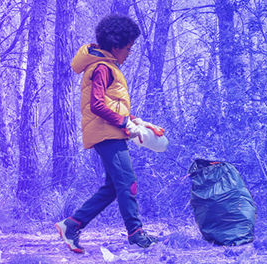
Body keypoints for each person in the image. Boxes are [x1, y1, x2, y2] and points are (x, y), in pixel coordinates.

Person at [55, 14, 164, 254]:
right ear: (116, 46)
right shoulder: (103, 67)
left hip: (110, 130)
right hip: (107, 133)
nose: (130, 52)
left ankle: (72, 225)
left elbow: (111, 103)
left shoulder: (107, 66)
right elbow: (97, 105)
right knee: (128, 182)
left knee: (114, 186)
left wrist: (137, 121)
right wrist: (125, 122)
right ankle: (136, 234)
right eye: (129, 47)